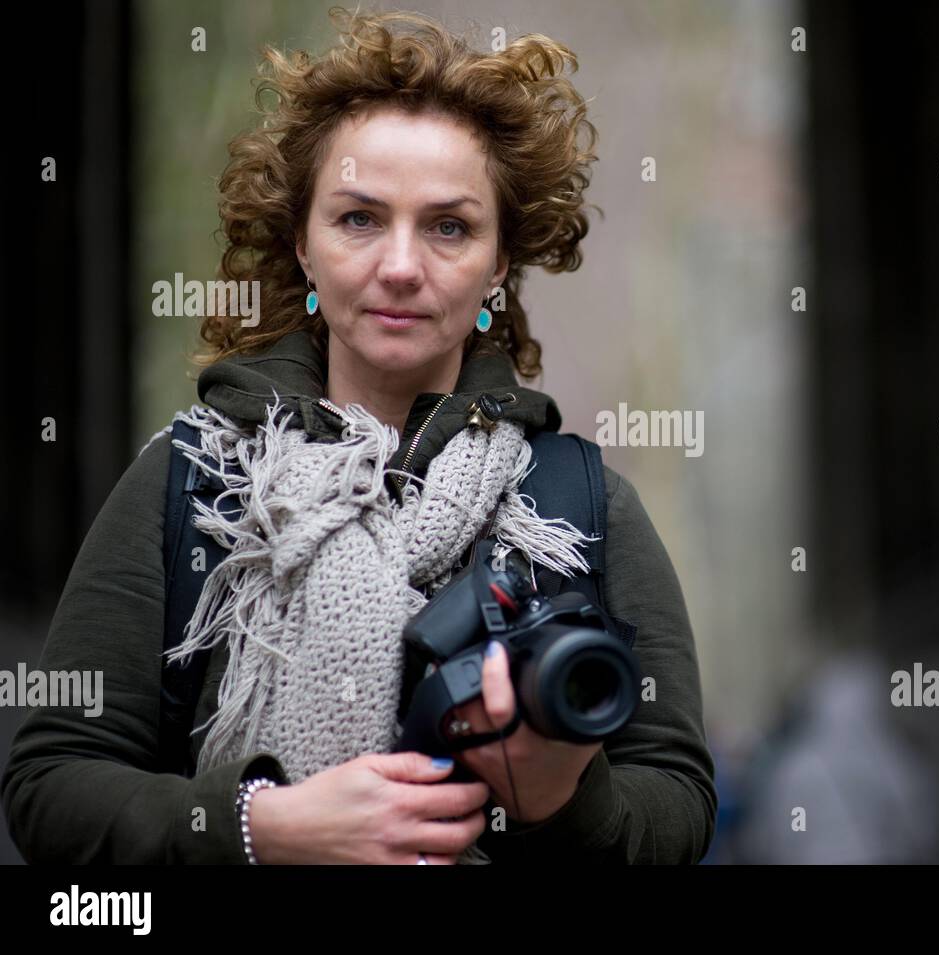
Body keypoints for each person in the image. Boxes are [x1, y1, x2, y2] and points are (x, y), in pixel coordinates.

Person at [1, 8, 715, 865]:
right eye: (359, 219)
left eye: (449, 226)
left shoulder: (578, 505)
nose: (402, 265)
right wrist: (263, 827)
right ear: (303, 243)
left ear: (498, 265)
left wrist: (563, 796)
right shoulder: (191, 480)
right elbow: (50, 784)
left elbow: (679, 805)